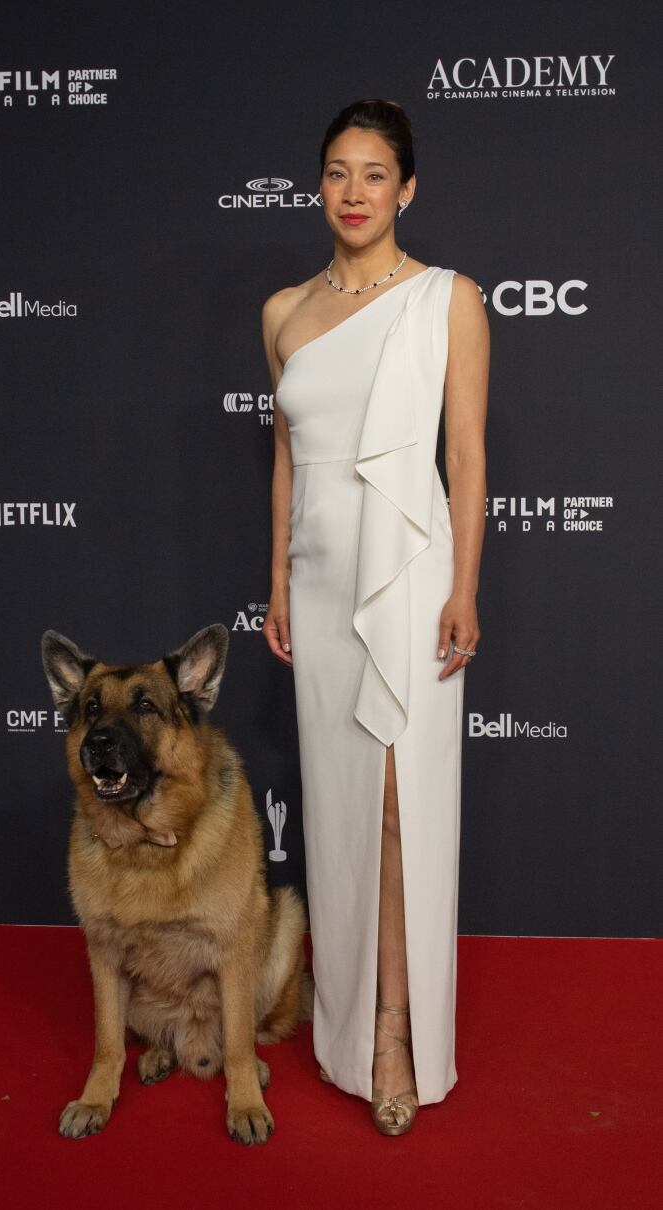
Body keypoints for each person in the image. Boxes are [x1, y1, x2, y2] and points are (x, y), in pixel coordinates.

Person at [260, 98, 488, 1137]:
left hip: (409, 573)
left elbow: (468, 456)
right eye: (337, 173)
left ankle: (396, 1031)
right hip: (318, 577)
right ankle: (345, 1026)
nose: (353, 194)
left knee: (401, 808)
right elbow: (289, 456)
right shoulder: (283, 314)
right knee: (344, 814)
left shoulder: (448, 300)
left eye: (374, 175)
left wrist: (465, 586)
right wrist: (275, 577)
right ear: (322, 185)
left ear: (408, 189)